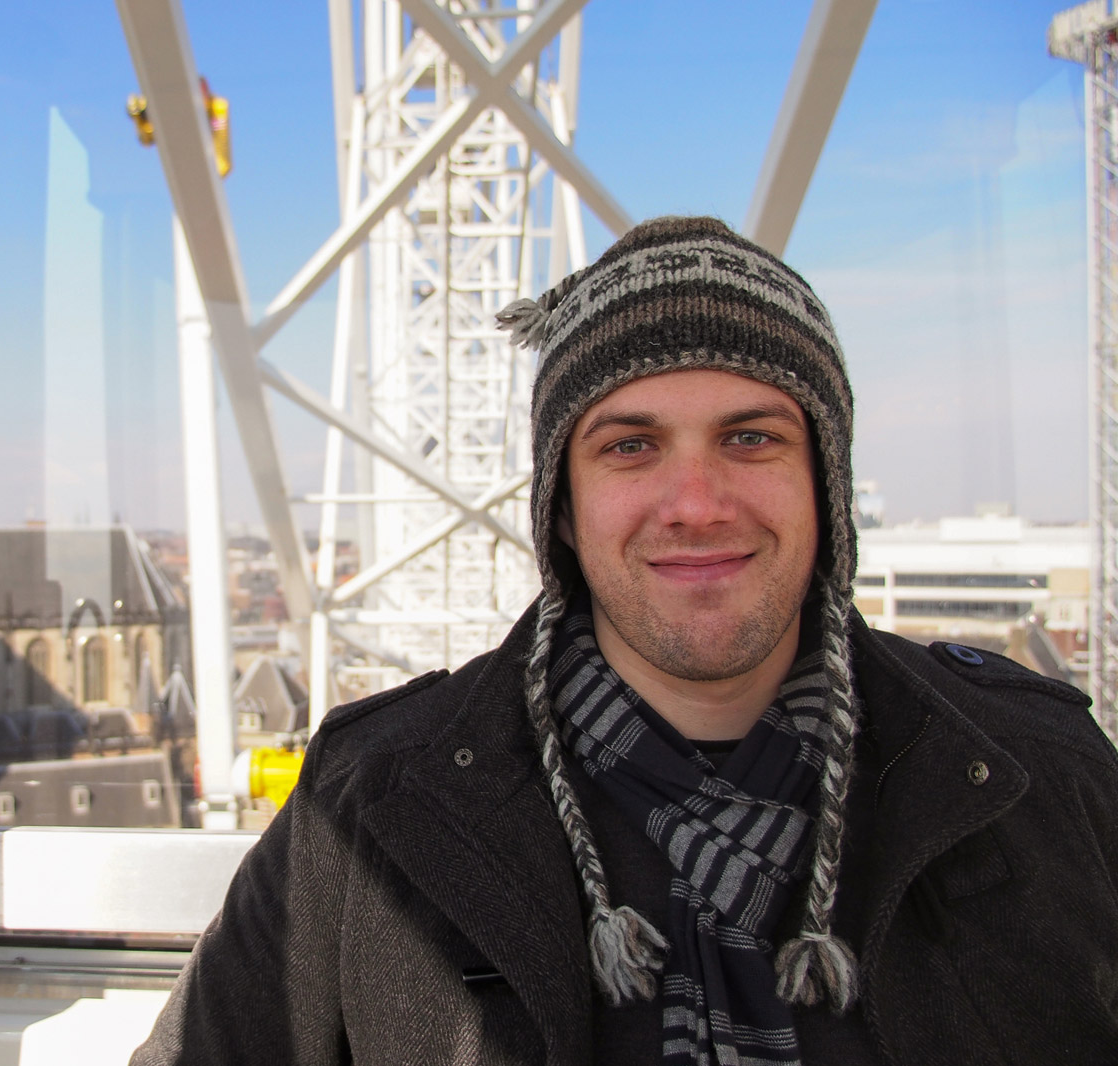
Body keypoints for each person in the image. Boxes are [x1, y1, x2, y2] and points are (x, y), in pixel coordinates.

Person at [132, 216, 1118, 1065]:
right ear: (561, 509)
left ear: (825, 485)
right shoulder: (373, 805)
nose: (694, 503)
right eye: (629, 445)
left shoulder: (1044, 783)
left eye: (751, 437)